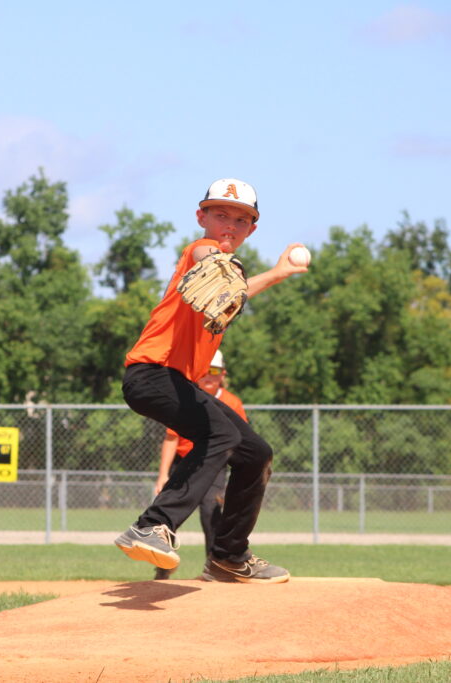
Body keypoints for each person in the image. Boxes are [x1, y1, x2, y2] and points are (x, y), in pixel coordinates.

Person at [114, 178, 307, 583]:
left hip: (174, 382)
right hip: (151, 373)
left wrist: (277, 272)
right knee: (221, 434)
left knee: (255, 452)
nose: (229, 225)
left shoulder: (228, 284)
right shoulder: (200, 254)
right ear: (200, 216)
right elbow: (204, 253)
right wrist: (214, 262)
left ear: (252, 229)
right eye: (220, 214)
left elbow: (236, 291)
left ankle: (229, 556)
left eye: (241, 219)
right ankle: (153, 525)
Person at [152, 349, 247, 580]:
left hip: (215, 463)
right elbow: (172, 437)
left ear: (222, 374)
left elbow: (242, 441)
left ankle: (216, 567)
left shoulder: (232, 402)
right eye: (203, 370)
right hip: (184, 461)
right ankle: (163, 568)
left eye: (214, 370)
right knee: (170, 509)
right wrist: (163, 474)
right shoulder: (187, 397)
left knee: (210, 510)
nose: (208, 375)